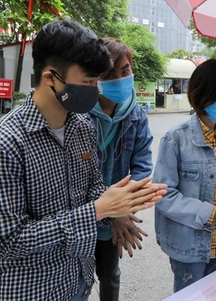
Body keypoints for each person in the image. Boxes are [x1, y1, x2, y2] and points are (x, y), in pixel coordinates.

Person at [0, 20, 167, 301]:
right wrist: (98, 210)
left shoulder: (81, 126)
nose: (95, 90)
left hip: (77, 281)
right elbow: (9, 242)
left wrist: (117, 205)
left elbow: (91, 187)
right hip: (29, 292)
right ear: (51, 78)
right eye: (89, 83)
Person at [153, 59, 216, 292]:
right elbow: (163, 195)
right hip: (190, 251)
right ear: (201, 94)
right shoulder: (175, 138)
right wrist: (214, 213)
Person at [89, 38, 153, 301]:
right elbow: (76, 175)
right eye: (109, 74)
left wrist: (122, 212)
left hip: (117, 222)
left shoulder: (136, 115)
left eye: (125, 71)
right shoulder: (79, 114)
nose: (119, 79)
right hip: (82, 215)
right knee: (73, 279)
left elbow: (142, 169)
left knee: (110, 274)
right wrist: (111, 212)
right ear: (94, 78)